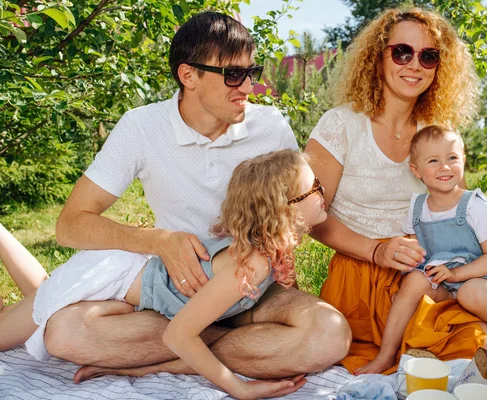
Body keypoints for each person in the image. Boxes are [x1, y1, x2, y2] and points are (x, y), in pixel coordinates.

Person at [40, 12, 350, 381]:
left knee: (329, 334)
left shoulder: (270, 125)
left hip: (256, 290)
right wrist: (157, 241)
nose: (249, 88)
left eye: (253, 72)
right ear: (188, 76)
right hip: (178, 296)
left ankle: (177, 357)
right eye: (233, 75)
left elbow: (292, 210)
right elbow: (70, 225)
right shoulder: (142, 126)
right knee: (64, 333)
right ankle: (218, 345)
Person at [304, 5, 487, 374]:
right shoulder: (341, 124)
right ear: (378, 56)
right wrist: (376, 250)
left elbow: (459, 213)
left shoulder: (436, 128)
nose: (414, 65)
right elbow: (309, 217)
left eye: (429, 55)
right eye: (402, 52)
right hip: (369, 277)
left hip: (445, 267)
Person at [0, 150, 347, 399]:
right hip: (112, 275)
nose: (322, 192)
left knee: (44, 296)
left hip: (124, 277)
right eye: (313, 188)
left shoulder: (267, 251)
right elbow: (179, 335)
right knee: (23, 319)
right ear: (284, 210)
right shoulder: (251, 265)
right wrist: (238, 388)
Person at [355, 126, 487, 374]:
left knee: (470, 293)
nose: (445, 167)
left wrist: (457, 275)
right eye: (433, 161)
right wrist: (409, 272)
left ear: (463, 161)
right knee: (414, 282)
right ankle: (386, 355)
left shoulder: (474, 204)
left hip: (479, 276)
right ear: (416, 171)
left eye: (452, 158)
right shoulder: (417, 207)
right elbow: (419, 253)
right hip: (441, 277)